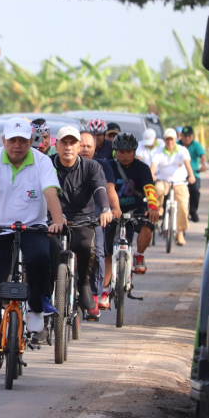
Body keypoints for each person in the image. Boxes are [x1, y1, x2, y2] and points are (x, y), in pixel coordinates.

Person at [0, 118, 64, 364]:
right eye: (13, 140)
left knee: (40, 258)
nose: (18, 145)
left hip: (32, 227)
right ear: (4, 141)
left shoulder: (42, 161)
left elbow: (51, 193)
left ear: (31, 141)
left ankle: (34, 306)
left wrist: (56, 220)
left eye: (23, 140)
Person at [50, 127, 113, 316]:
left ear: (79, 147)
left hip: (82, 221)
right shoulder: (47, 165)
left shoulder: (91, 167)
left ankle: (84, 282)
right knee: (43, 253)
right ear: (57, 145)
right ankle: (45, 296)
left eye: (72, 143)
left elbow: (100, 190)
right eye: (64, 143)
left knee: (87, 246)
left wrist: (105, 209)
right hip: (52, 221)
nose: (68, 147)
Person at [104, 133, 159, 297]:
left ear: (135, 152)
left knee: (149, 225)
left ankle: (139, 256)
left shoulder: (142, 168)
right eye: (121, 151)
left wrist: (153, 207)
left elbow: (149, 188)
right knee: (107, 251)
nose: (125, 155)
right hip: (113, 211)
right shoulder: (109, 166)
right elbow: (107, 188)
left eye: (128, 151)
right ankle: (105, 290)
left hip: (135, 210)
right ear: (115, 152)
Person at [78, 130, 122, 319]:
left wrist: (113, 209)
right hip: (68, 220)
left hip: (93, 219)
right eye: (82, 145)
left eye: (89, 146)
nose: (85, 149)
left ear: (95, 148)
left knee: (97, 254)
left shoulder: (103, 166)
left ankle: (95, 296)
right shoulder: (61, 164)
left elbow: (109, 190)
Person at [150, 128, 196, 246]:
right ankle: (160, 208)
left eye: (172, 139)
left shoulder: (182, 150)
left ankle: (180, 232)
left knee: (183, 205)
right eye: (167, 139)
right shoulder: (159, 152)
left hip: (180, 182)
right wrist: (151, 176)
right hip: (164, 181)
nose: (169, 142)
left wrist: (191, 176)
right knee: (157, 189)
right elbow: (153, 166)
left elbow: (187, 164)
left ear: (176, 139)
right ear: (164, 140)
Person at [178, 126, 208, 222]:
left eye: (189, 136)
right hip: (179, 174)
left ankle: (193, 210)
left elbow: (202, 156)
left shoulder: (196, 145)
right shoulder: (176, 145)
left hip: (194, 173)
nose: (187, 138)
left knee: (195, 190)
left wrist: (204, 165)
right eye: (185, 136)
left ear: (193, 136)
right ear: (181, 136)